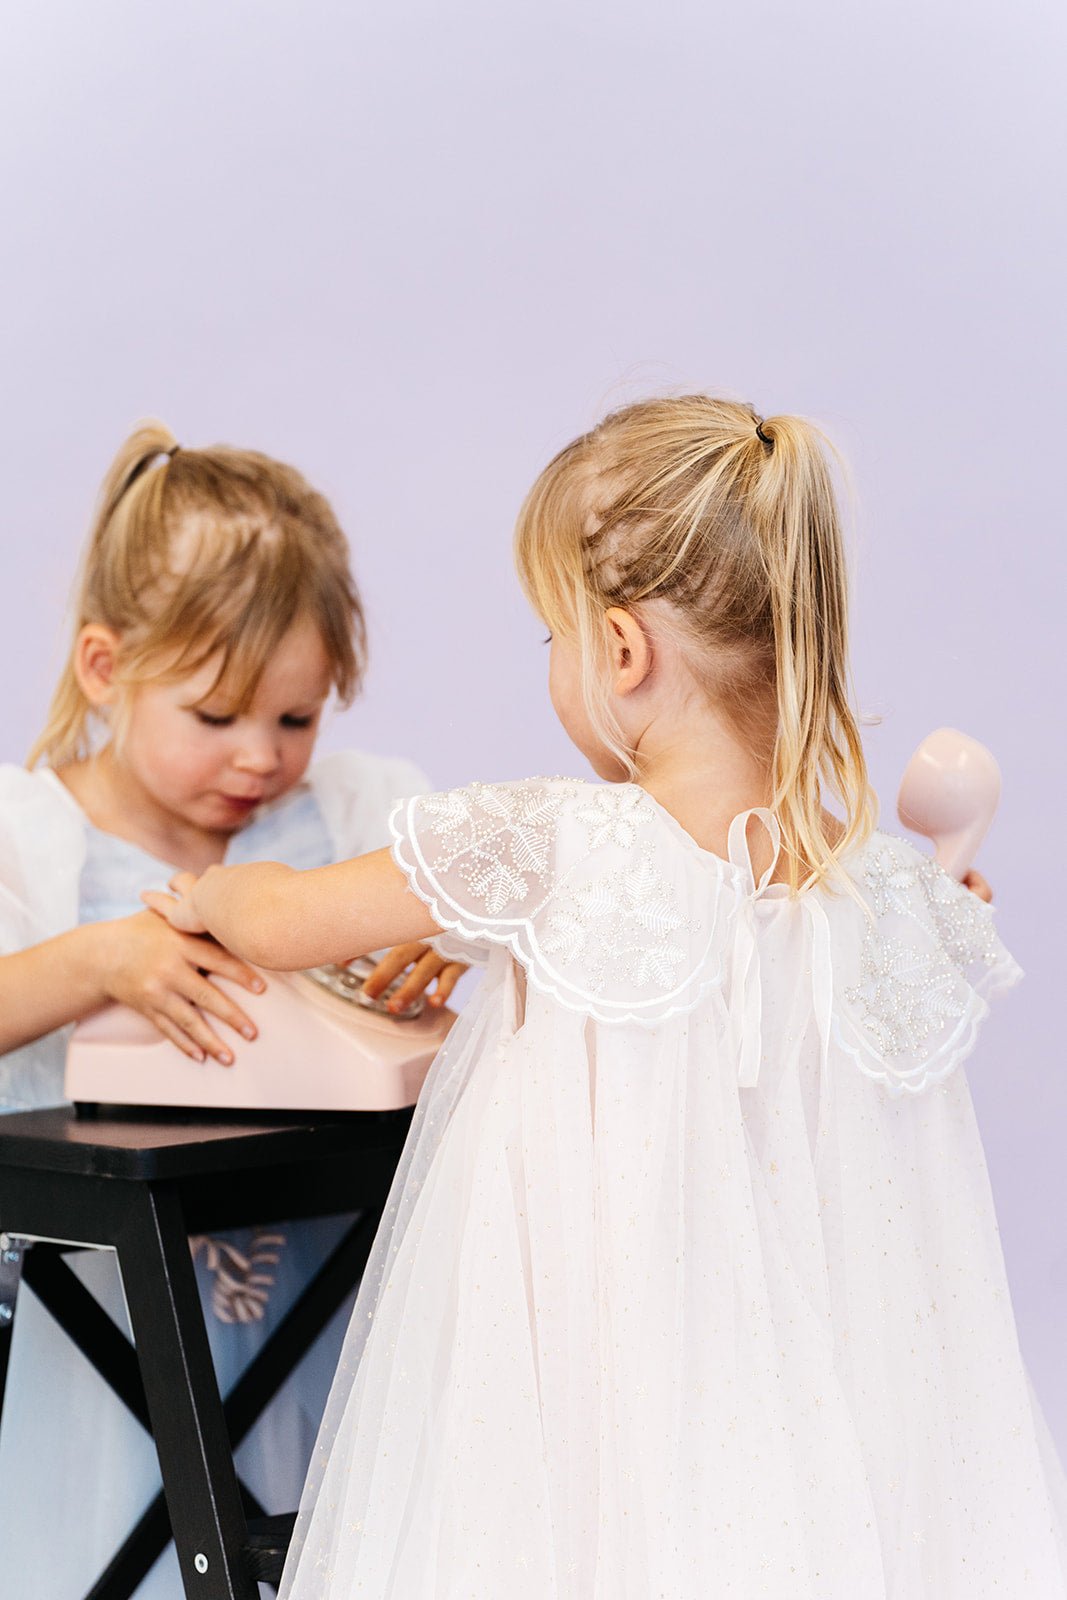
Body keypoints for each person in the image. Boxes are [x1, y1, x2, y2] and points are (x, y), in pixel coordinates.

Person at [148, 395, 1065, 1598]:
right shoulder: (882, 890)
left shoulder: (551, 838)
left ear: (621, 651)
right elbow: (889, 947)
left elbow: (287, 920)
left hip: (590, 1399)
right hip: (807, 1418)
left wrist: (218, 894)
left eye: (551, 636)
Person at [0, 422, 463, 1597]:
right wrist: (98, 959)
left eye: (297, 719)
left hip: (336, 1280)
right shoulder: (27, 839)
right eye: (215, 717)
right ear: (105, 669)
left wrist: (446, 944)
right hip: (103, 1304)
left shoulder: (361, 814)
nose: (261, 757)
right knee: (122, 1552)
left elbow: (465, 937)